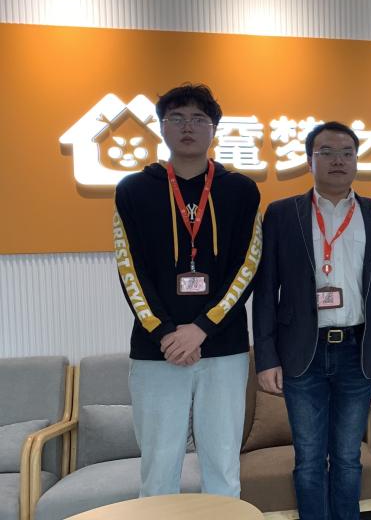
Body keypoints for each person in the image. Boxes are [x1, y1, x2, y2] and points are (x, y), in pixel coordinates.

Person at [113, 83, 261, 496]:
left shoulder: (241, 190)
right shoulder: (133, 190)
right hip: (156, 350)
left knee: (223, 464)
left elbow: (247, 266)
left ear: (214, 128)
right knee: (159, 467)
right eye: (176, 118)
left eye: (199, 119)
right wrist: (165, 333)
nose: (188, 127)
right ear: (162, 127)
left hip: (223, 347)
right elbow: (130, 270)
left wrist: (201, 328)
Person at [252, 121, 371, 520]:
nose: (338, 160)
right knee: (308, 458)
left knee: (348, 457)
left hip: (358, 350)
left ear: (356, 160)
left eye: (347, 153)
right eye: (327, 152)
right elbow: (266, 291)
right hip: (302, 353)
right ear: (309, 160)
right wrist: (266, 358)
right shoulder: (282, 214)